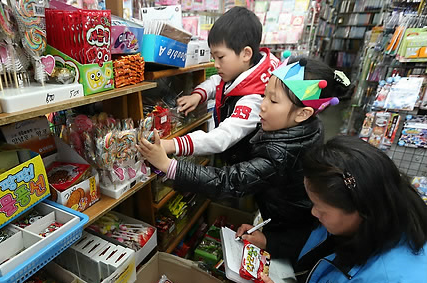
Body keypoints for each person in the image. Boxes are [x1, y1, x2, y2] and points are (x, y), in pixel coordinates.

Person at [139, 58, 351, 264]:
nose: (263, 106)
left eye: (273, 100)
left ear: (303, 113)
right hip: (284, 223)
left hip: (292, 235)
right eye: (264, 95)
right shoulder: (305, 129)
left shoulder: (281, 153)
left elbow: (229, 181)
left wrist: (168, 165)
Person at [252, 136, 427, 283]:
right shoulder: (375, 206)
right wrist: (269, 241)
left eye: (321, 210)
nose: (315, 214)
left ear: (361, 212)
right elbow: (320, 241)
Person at [160, 6, 279, 163]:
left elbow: (222, 137)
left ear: (246, 54)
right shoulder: (245, 72)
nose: (215, 64)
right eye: (213, 57)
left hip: (244, 165)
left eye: (220, 57)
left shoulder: (255, 97)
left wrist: (173, 144)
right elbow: (216, 82)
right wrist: (197, 95)